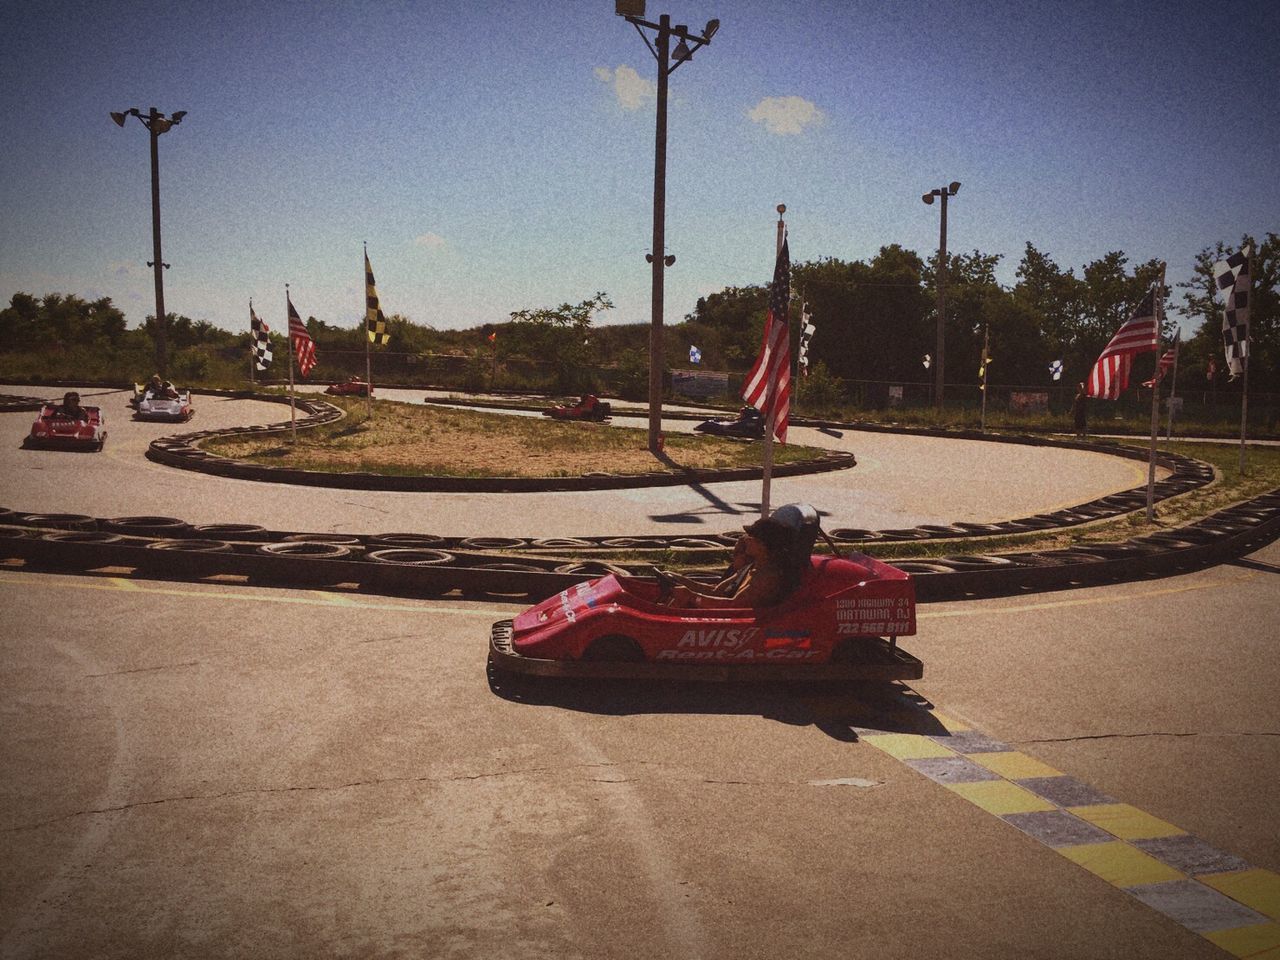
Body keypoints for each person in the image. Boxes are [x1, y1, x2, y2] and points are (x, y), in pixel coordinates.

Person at [661, 516, 794, 609]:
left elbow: (734, 607)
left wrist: (693, 597)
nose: (745, 539)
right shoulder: (753, 567)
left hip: (733, 628)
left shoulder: (767, 577)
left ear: (763, 546)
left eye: (751, 537)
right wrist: (681, 581)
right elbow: (716, 591)